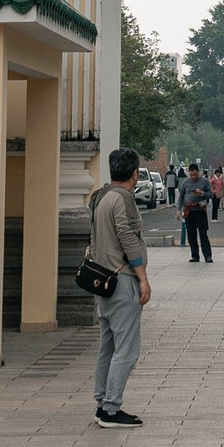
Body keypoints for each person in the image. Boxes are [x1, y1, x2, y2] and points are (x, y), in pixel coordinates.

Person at [88, 147, 152, 427]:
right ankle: (112, 409)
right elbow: (128, 237)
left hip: (103, 280)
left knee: (108, 346)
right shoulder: (124, 198)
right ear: (135, 173)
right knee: (127, 349)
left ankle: (102, 402)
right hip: (122, 278)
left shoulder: (100, 196)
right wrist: (143, 277)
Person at [178, 161, 214, 264]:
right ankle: (195, 255)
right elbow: (181, 196)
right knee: (191, 235)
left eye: (195, 174)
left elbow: (211, 195)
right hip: (189, 211)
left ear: (199, 172)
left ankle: (207, 256)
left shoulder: (205, 181)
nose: (193, 176)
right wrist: (179, 210)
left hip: (200, 210)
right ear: (189, 173)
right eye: (191, 174)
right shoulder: (186, 182)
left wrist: (202, 193)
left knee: (203, 234)